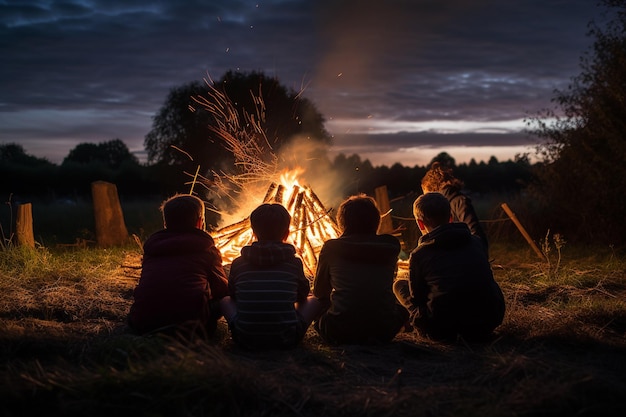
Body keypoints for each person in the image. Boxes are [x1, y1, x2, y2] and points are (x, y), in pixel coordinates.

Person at [393, 192, 505, 342]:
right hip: (488, 321)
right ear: (451, 217)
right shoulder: (476, 242)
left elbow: (417, 298)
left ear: (420, 223)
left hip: (443, 329)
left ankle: (419, 327)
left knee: (399, 285)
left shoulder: (419, 254)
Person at [220, 203, 320, 349]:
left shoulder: (238, 263)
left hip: (244, 338)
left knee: (225, 300)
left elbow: (233, 295)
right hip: (287, 338)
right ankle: (286, 324)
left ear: (253, 232)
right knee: (314, 301)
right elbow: (302, 296)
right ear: (287, 233)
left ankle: (245, 327)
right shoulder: (294, 262)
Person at [312, 194, 409, 345]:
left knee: (315, 302)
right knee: (400, 310)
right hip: (383, 331)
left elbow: (319, 292)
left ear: (342, 223)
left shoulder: (331, 248)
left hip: (338, 332)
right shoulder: (391, 246)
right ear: (377, 222)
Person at [128, 194, 229, 336]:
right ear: (200, 222)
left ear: (165, 223)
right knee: (225, 300)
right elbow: (222, 290)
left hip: (143, 324)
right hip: (192, 328)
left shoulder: (153, 249)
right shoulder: (207, 251)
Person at [421, 161, 488, 251]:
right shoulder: (442, 206)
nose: (426, 199)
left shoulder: (459, 202)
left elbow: (476, 236)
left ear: (432, 188)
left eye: (426, 194)